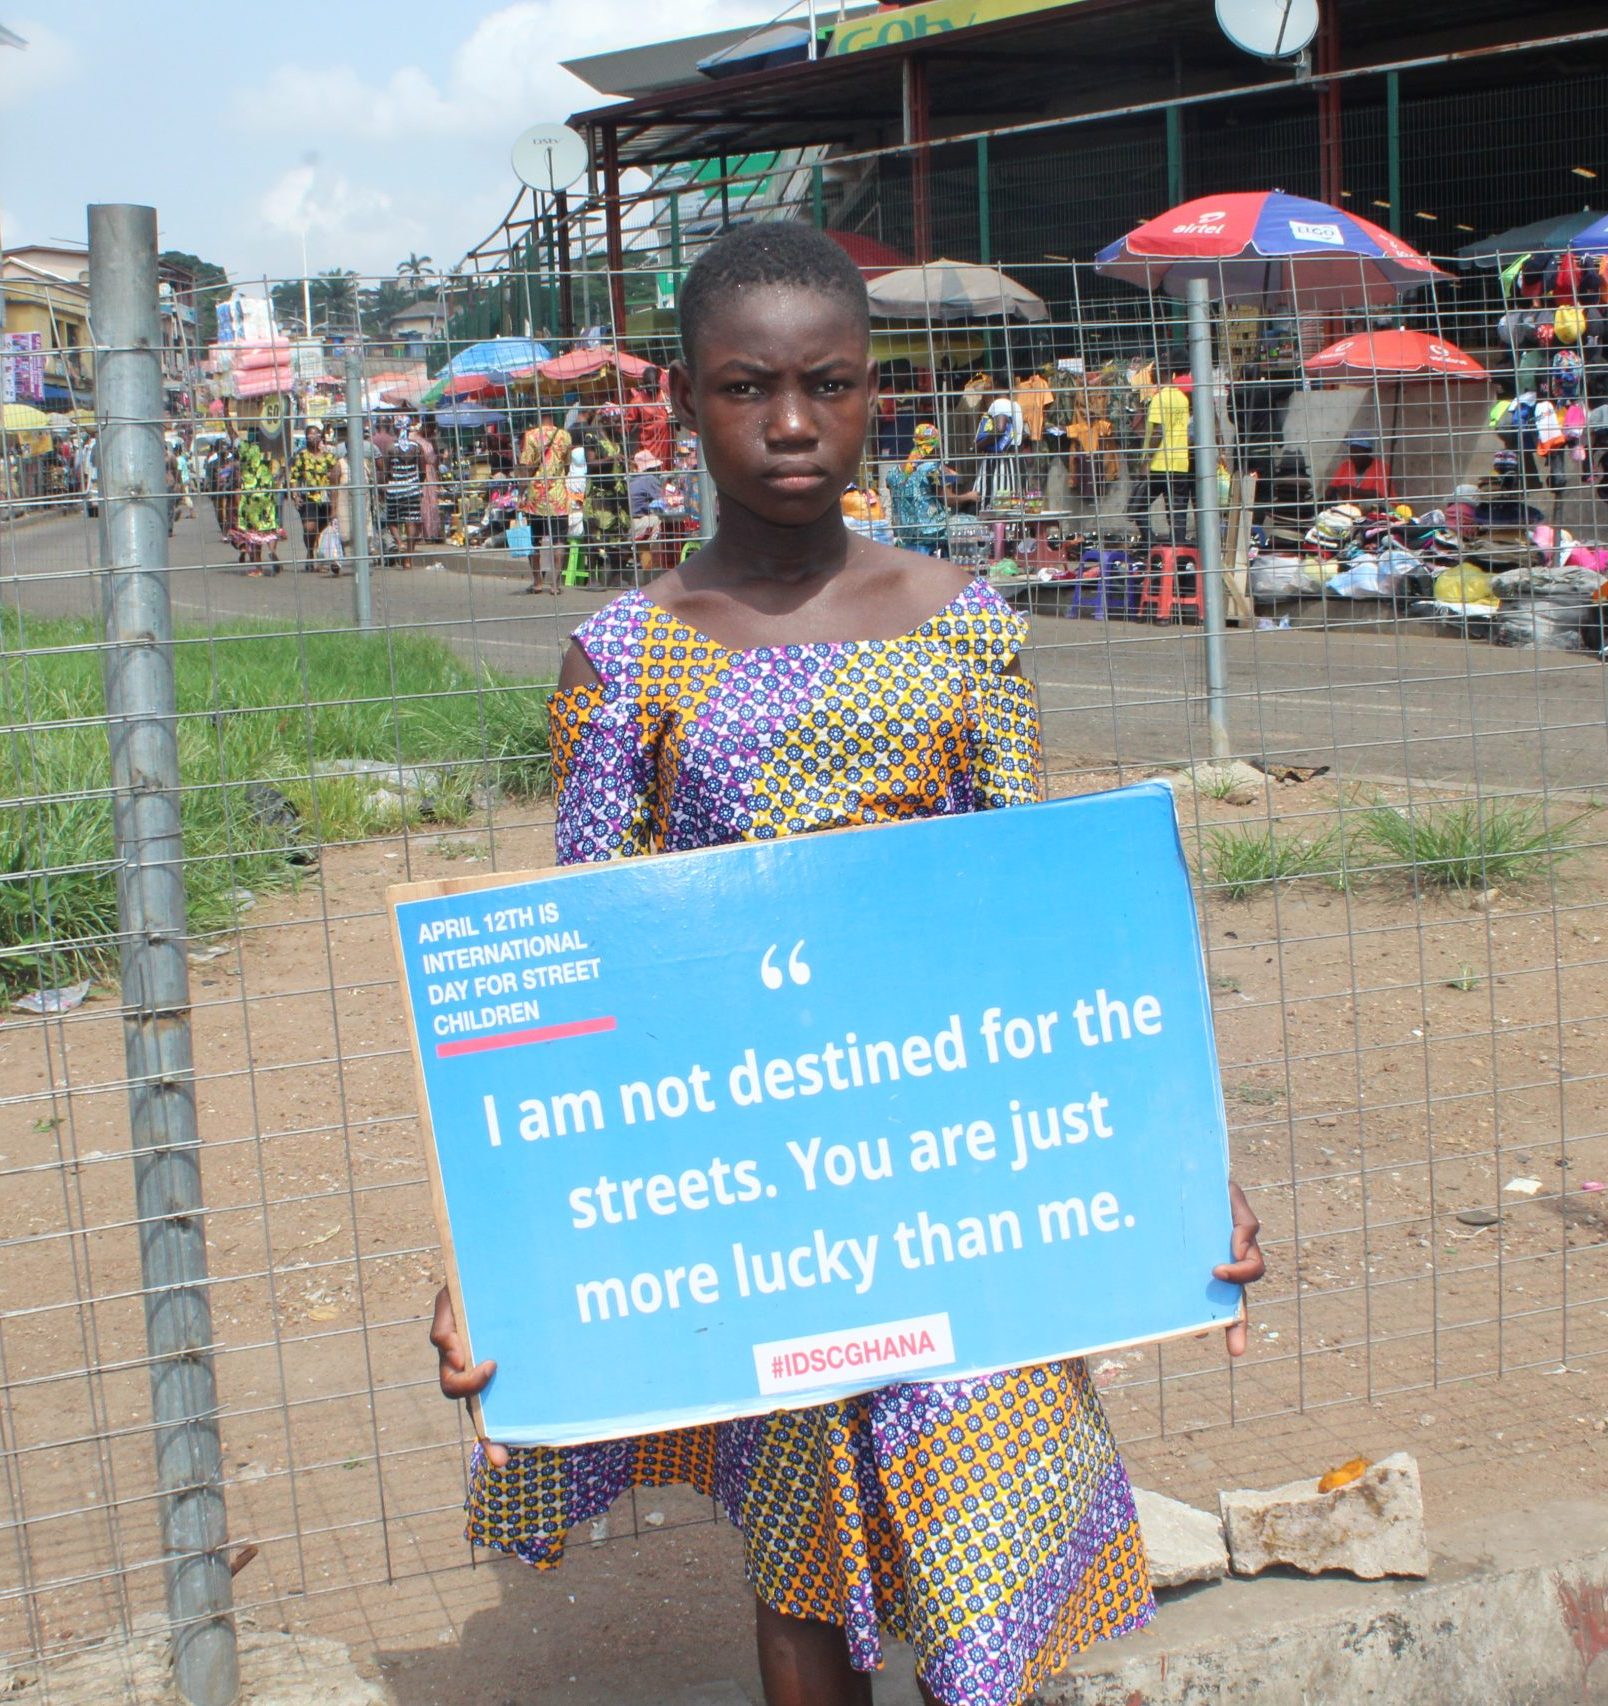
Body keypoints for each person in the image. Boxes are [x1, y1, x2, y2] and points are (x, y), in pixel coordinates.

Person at [429, 222, 1265, 1706]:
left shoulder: (962, 630)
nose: (794, 424)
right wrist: (497, 1255)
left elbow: (1037, 933)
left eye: (830, 383)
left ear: (880, 394)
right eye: (750, 387)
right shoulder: (626, 661)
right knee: (804, 1546)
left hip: (954, 1169)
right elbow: (581, 974)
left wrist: (1170, 1163)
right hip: (754, 1195)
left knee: (985, 1523)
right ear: (685, 401)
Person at [884, 421, 974, 554]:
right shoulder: (933, 468)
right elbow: (947, 499)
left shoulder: (893, 472)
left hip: (906, 533)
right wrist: (969, 496)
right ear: (934, 446)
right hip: (932, 531)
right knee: (971, 522)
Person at [516, 411, 573, 593]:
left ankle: (538, 582)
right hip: (558, 496)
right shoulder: (565, 436)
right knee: (559, 541)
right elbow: (567, 464)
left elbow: (526, 468)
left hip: (536, 497)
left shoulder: (530, 436)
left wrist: (521, 493)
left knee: (534, 541)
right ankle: (556, 585)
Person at [230, 432, 285, 573]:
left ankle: (258, 568)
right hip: (267, 497)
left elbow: (233, 435)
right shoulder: (266, 455)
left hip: (250, 499)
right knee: (270, 528)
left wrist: (226, 417)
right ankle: (272, 551)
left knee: (253, 533)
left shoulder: (244, 455)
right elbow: (280, 469)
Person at [289, 422, 339, 570]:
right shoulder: (302, 456)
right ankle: (310, 552)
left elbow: (336, 474)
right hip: (309, 496)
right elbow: (293, 476)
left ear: (321, 437)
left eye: (315, 434)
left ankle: (321, 556)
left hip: (325, 497)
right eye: (309, 435)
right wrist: (295, 495)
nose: (312, 438)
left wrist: (335, 500)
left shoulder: (328, 456)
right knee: (309, 527)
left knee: (322, 528)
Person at [382, 415, 424, 561]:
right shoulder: (416, 447)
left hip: (394, 489)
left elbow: (386, 471)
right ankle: (409, 558)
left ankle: (400, 543)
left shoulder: (390, 448)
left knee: (392, 519)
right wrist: (419, 484)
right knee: (411, 520)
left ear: (395, 428)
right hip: (412, 488)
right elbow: (423, 471)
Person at [625, 364, 674, 467]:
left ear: (658, 381)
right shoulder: (637, 401)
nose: (651, 388)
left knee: (666, 477)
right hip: (648, 450)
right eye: (648, 385)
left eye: (653, 384)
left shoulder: (666, 396)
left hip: (666, 449)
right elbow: (626, 426)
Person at [1325, 436, 1393, 507]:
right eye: (1351, 452)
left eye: (1357, 452)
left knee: (1370, 504)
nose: (1353, 456)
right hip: (1349, 508)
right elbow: (1333, 486)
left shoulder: (1381, 467)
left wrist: (1350, 490)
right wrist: (1331, 490)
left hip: (1376, 508)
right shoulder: (1345, 465)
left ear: (1368, 451)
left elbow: (1379, 495)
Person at [627, 448, 664, 575]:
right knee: (660, 521)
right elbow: (664, 499)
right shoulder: (649, 479)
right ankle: (656, 561)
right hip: (636, 523)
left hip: (629, 522)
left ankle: (643, 559)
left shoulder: (632, 478)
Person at [416, 415, 445, 544]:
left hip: (432, 473)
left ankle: (432, 532)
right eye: (430, 428)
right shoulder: (414, 438)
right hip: (422, 472)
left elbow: (437, 458)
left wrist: (438, 476)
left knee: (432, 503)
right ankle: (422, 532)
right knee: (422, 503)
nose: (432, 431)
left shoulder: (431, 439)